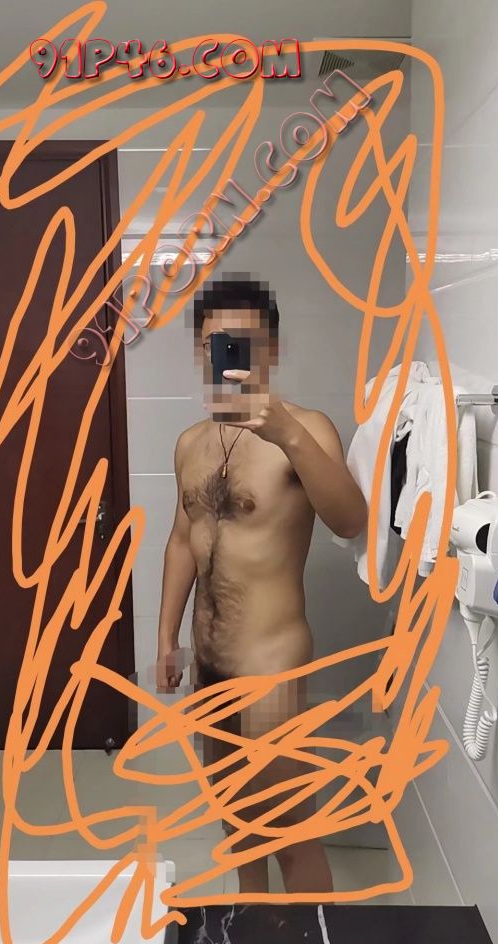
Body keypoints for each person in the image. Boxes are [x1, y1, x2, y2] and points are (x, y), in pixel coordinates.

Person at [156, 276, 367, 893]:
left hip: (270, 666)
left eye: (244, 343)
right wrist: (167, 638)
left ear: (270, 350)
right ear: (200, 350)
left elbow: (351, 521)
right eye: (216, 344)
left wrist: (289, 437)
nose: (228, 356)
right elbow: (181, 540)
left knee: (288, 830)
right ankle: (257, 931)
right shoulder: (190, 443)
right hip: (210, 665)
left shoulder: (307, 430)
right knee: (236, 824)